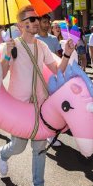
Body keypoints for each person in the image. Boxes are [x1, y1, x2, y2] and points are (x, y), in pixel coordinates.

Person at [0, 5, 75, 186]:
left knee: (39, 148)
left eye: (36, 19)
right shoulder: (13, 45)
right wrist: (6, 55)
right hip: (19, 105)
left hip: (40, 104)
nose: (34, 22)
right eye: (29, 20)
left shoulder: (42, 46)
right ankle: (3, 153)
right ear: (20, 25)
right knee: (18, 146)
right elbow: (2, 74)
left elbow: (57, 70)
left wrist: (66, 54)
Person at [36, 13, 63, 147]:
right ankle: (48, 134)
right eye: (44, 22)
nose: (46, 25)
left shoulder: (53, 39)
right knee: (44, 107)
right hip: (40, 79)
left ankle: (51, 131)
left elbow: (59, 57)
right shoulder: (34, 39)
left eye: (48, 22)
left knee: (55, 107)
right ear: (39, 23)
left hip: (54, 78)